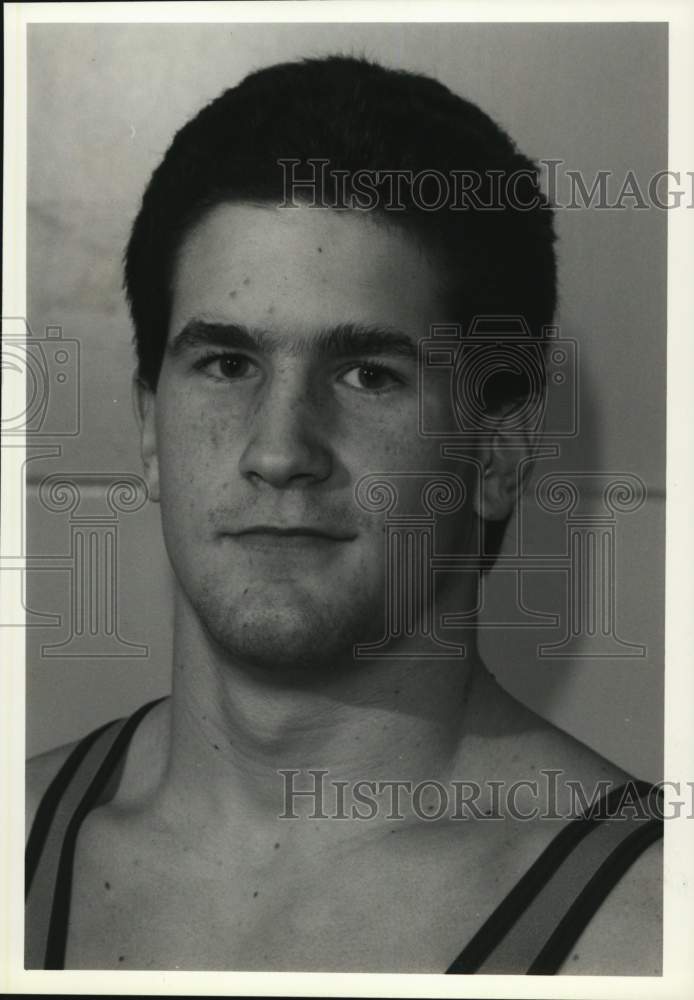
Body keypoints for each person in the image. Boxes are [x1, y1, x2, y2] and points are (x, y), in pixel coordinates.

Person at [25, 54, 662, 974]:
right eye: (227, 365)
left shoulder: (646, 934)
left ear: (498, 453)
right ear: (149, 427)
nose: (280, 450)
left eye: (368, 375)